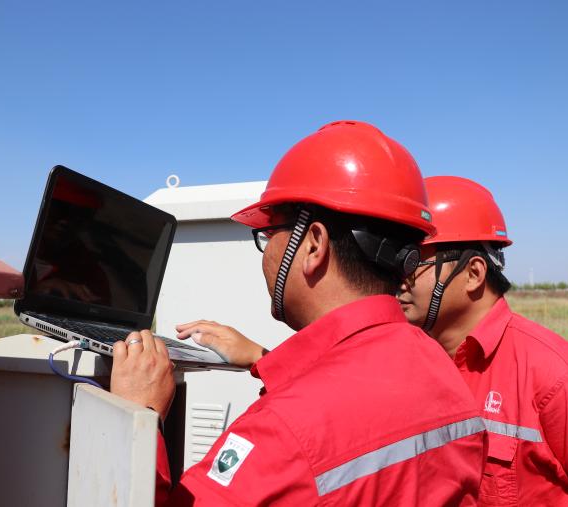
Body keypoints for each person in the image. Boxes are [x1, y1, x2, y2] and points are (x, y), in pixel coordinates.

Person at [110, 121, 487, 505]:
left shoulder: (280, 433)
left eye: (268, 234)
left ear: (313, 245)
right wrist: (263, 359)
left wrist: (138, 415)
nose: (267, 256)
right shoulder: (444, 371)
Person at [397, 175, 568, 506]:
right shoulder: (411, 369)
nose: (399, 280)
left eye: (412, 263)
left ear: (473, 274)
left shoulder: (565, 382)